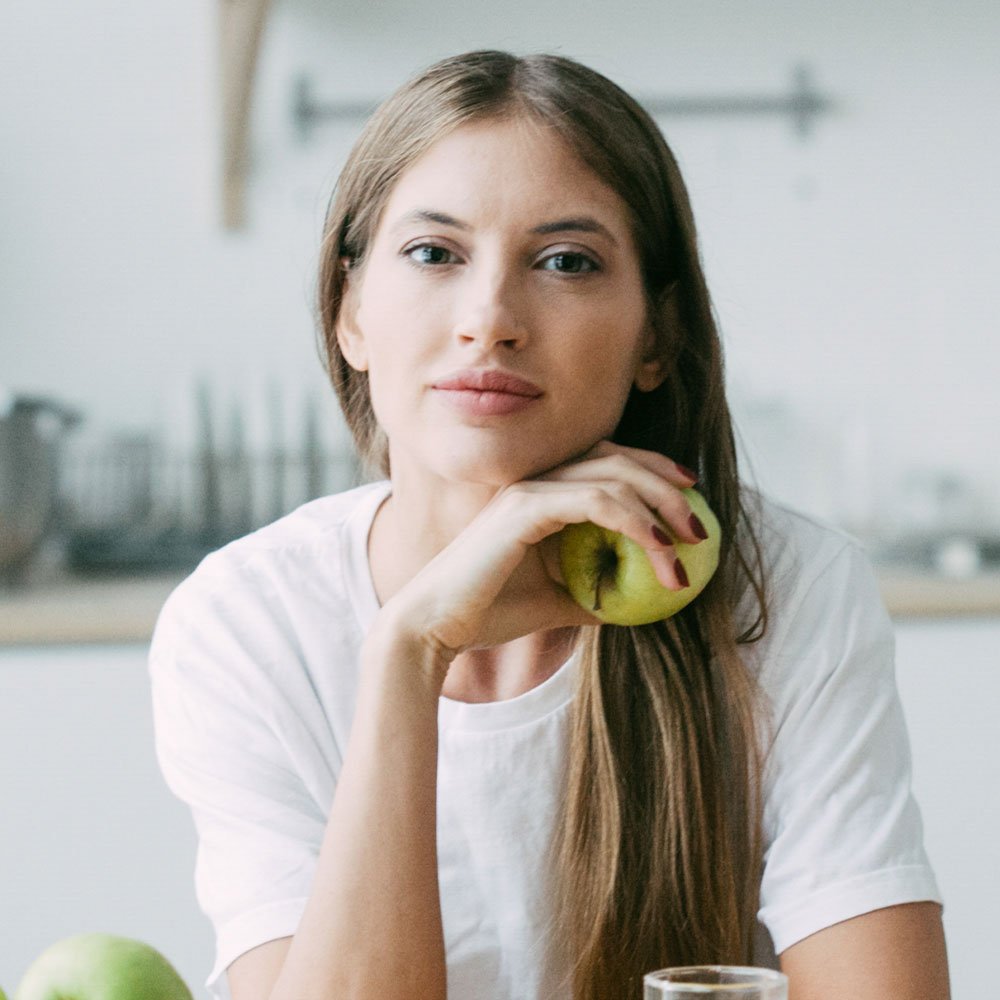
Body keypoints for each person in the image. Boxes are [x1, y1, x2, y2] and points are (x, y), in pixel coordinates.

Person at [148, 50, 949, 1000]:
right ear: (349, 313)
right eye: (433, 254)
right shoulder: (247, 621)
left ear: (657, 335)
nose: (490, 319)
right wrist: (410, 651)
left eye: (565, 262)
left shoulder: (787, 591)